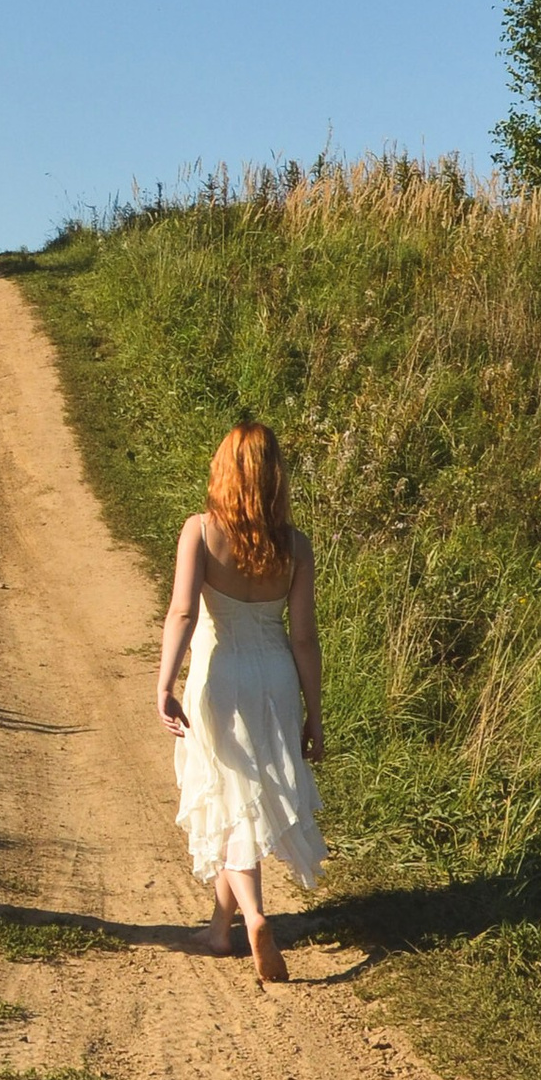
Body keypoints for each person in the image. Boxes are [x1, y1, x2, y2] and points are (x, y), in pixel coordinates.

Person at [155, 421, 329, 983]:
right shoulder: (294, 545)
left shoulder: (202, 532)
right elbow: (304, 636)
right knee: (247, 795)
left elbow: (183, 612)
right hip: (275, 675)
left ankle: (254, 916)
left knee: (230, 800)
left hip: (222, 674)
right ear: (275, 476)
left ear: (224, 470)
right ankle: (219, 927)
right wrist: (315, 713)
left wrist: (164, 683)